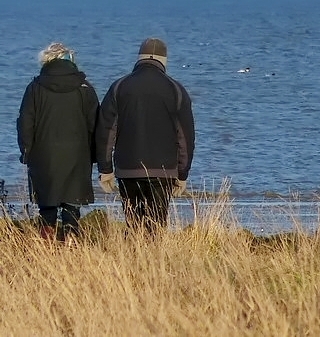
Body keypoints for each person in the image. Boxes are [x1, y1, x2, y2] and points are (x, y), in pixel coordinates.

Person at [95, 38, 195, 234]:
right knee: (156, 226)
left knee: (134, 224)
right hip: (163, 171)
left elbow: (106, 131)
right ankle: (152, 261)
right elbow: (185, 138)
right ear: (164, 60)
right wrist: (182, 174)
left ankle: (135, 259)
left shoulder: (119, 86)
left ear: (139, 58)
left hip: (127, 169)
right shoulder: (176, 90)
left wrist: (105, 169)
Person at [17, 42, 100, 241]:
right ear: (70, 60)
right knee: (72, 206)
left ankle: (47, 247)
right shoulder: (85, 88)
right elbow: (96, 124)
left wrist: (26, 151)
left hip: (43, 155)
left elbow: (25, 122)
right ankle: (71, 245)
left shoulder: (35, 88)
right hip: (77, 155)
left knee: (47, 206)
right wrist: (95, 155)